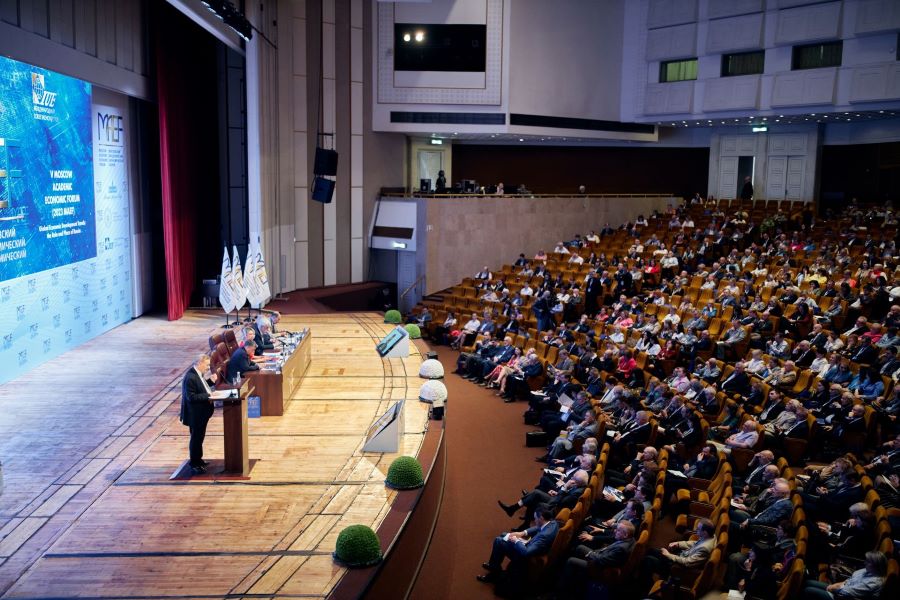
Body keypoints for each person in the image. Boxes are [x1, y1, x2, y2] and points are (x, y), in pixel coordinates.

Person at [477, 506, 559, 584]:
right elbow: (539, 527)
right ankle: (493, 565)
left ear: (541, 518)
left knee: (498, 541)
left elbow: (526, 552)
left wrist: (516, 541)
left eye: (535, 518)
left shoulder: (544, 536)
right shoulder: (552, 522)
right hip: (532, 545)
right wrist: (522, 533)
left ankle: (493, 574)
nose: (534, 520)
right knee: (504, 535)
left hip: (525, 557)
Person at [179, 353, 217, 475]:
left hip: (202, 414)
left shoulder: (197, 374)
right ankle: (194, 463)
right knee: (196, 439)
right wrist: (209, 395)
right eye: (206, 365)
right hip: (195, 415)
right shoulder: (190, 377)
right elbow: (191, 397)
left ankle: (198, 460)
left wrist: (210, 382)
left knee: (199, 438)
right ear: (199, 363)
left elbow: (201, 387)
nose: (208, 367)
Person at [802, 550, 887, 600]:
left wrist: (833, 587)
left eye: (868, 562)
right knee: (808, 582)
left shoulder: (873, 583)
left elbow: (847, 593)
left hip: (842, 597)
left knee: (808, 590)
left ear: (876, 566)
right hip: (841, 588)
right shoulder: (868, 570)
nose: (865, 563)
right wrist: (838, 584)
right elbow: (851, 578)